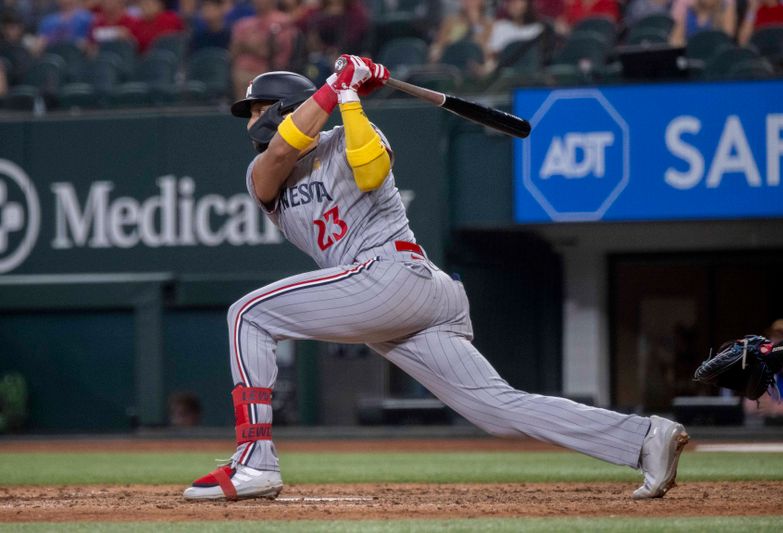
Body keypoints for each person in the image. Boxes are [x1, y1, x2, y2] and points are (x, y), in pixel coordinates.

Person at [183, 54, 691, 502]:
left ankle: (255, 460)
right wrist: (337, 86)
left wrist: (350, 98)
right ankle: (644, 437)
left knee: (247, 314)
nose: (249, 119)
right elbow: (279, 155)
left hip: (395, 274)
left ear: (280, 108)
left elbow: (368, 173)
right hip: (393, 296)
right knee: (496, 409)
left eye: (255, 108)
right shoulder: (261, 175)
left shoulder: (350, 134)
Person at [228, 0, 298, 105]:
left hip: (270, 70)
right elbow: (233, 51)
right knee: (240, 76)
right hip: (242, 72)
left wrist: (247, 46)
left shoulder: (282, 21)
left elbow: (270, 51)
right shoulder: (243, 24)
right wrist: (254, 46)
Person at [670, 0, 735, 45]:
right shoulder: (689, 10)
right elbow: (674, 39)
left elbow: (726, 40)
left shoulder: (726, 9)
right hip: (691, 57)